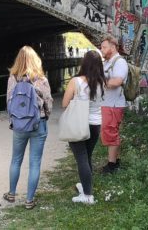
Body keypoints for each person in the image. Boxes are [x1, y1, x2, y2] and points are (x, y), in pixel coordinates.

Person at [2, 46, 53, 209]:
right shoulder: (41, 79)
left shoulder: (13, 78)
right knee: (35, 163)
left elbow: (9, 102)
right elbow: (48, 102)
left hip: (19, 125)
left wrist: (14, 119)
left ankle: (11, 193)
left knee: (16, 160)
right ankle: (29, 200)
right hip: (38, 124)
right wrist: (46, 116)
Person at [61, 50, 105, 204]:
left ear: (84, 63)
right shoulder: (102, 82)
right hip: (95, 124)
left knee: (81, 159)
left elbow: (64, 103)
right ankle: (86, 187)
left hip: (78, 124)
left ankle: (87, 196)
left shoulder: (76, 81)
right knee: (87, 157)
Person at [100, 35, 128, 174]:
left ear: (113, 47)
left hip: (114, 104)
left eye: (104, 47)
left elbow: (117, 81)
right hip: (108, 103)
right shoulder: (108, 62)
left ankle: (112, 165)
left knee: (111, 132)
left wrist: (99, 82)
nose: (102, 50)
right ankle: (114, 161)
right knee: (109, 132)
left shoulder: (119, 62)